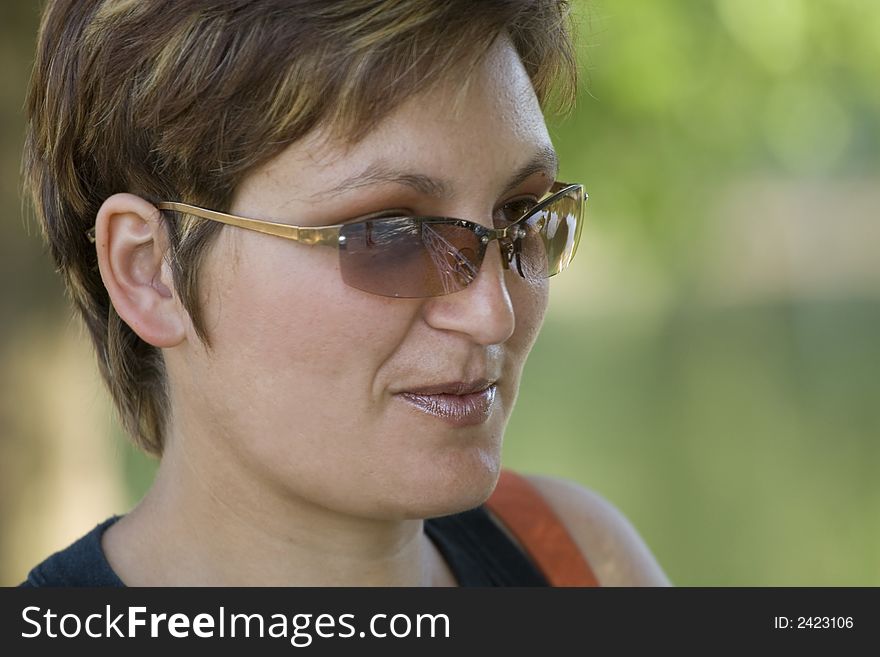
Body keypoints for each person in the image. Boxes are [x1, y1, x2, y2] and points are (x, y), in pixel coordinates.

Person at [20, 0, 669, 587]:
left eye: (519, 214)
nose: (491, 312)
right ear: (149, 271)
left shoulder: (576, 560)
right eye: (392, 233)